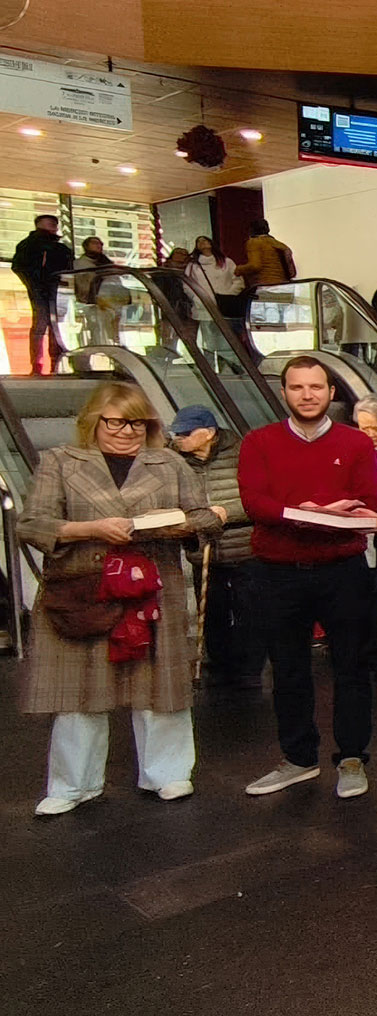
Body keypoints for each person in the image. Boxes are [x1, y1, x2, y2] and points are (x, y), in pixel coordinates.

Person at [19, 383, 223, 815]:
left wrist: (174, 525)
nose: (127, 431)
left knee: (160, 686)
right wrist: (91, 529)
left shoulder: (169, 463)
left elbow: (205, 518)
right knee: (79, 691)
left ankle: (168, 774)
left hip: (153, 588)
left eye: (137, 423)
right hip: (84, 590)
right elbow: (33, 524)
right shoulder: (59, 462)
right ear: (93, 422)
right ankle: (73, 785)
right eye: (116, 422)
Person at [237, 356, 377, 799]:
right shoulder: (259, 442)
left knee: (352, 666)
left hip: (342, 571)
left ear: (331, 392)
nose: (307, 395)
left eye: (316, 387)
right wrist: (309, 513)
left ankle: (352, 757)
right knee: (287, 669)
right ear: (284, 392)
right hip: (278, 572)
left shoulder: (355, 443)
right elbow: (255, 504)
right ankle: (298, 758)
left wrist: (305, 514)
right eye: (298, 387)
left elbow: (369, 504)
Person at [170, 405, 263, 691]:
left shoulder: (243, 452)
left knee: (249, 610)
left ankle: (250, 669)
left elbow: (260, 497)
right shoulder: (173, 460)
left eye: (186, 434)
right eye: (177, 434)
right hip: (204, 550)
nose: (179, 439)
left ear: (209, 433)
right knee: (211, 610)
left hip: (244, 547)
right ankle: (219, 664)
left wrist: (226, 512)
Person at [10, 214, 73, 375]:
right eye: (50, 223)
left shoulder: (54, 248)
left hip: (52, 290)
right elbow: (20, 267)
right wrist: (36, 282)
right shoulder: (34, 246)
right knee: (47, 324)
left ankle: (48, 364)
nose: (54, 226)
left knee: (48, 325)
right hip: (47, 290)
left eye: (54, 223)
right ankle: (47, 364)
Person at [232, 219, 296, 336]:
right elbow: (292, 273)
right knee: (280, 329)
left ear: (251, 230)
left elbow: (255, 265)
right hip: (285, 290)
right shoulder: (280, 245)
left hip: (265, 291)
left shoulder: (254, 242)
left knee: (265, 330)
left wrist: (239, 269)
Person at [74, 237, 125, 348]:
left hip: (111, 302)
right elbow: (84, 284)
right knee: (98, 331)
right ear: (86, 246)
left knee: (111, 332)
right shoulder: (81, 264)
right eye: (94, 243)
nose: (99, 246)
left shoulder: (105, 262)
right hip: (94, 303)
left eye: (100, 244)